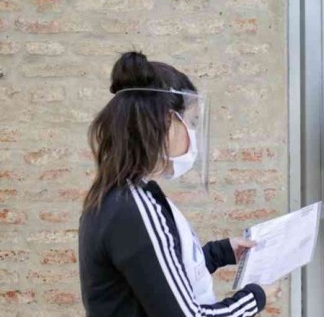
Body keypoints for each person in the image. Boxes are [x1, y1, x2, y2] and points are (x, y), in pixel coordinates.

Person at [79, 51, 277, 317]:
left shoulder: (123, 196)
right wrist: (255, 297)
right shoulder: (135, 209)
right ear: (167, 122)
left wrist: (221, 253)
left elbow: (159, 277)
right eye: (191, 122)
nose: (193, 134)